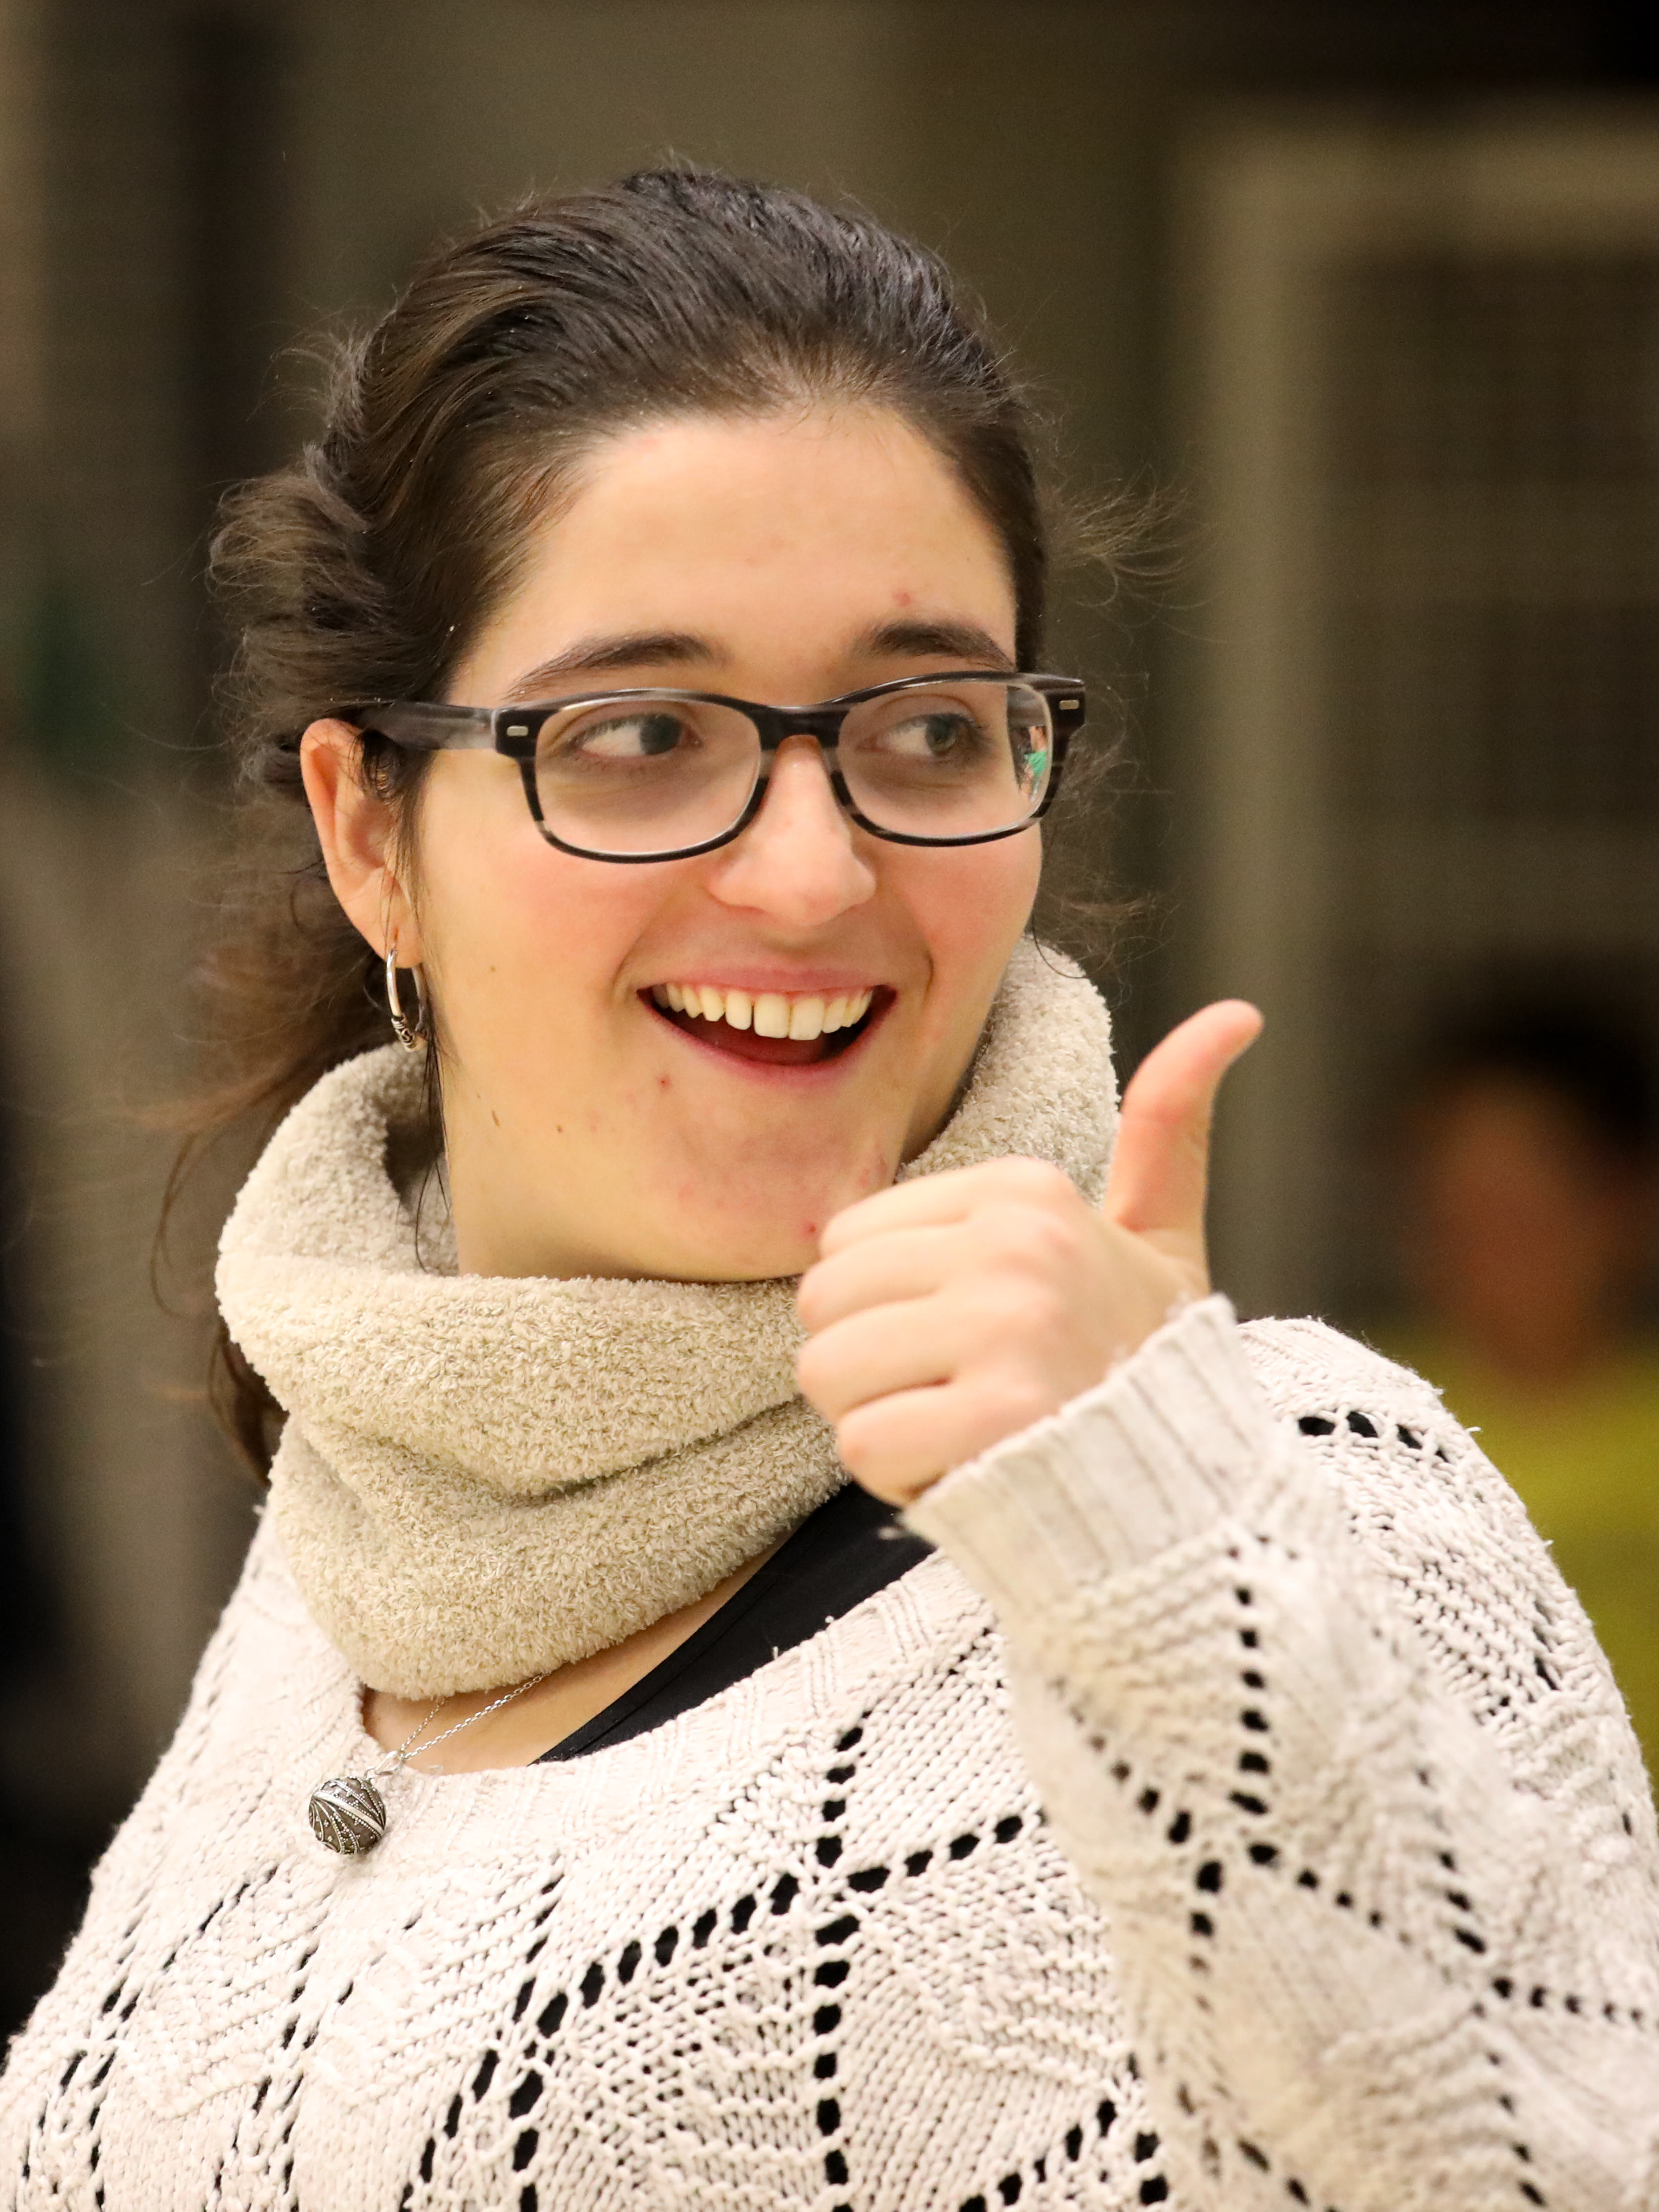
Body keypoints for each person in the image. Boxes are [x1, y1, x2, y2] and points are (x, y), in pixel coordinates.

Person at [1, 169, 1655, 2211]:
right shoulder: (364, 1534)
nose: (806, 873)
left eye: (928, 725)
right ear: (369, 833)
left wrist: (1151, 1538)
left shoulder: (1291, 1493)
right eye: (639, 733)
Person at [1386, 1005, 1659, 1776]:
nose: (1489, 1254)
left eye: (1523, 1217)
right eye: (1456, 1218)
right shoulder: (1365, 1417)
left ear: (1624, 1208)